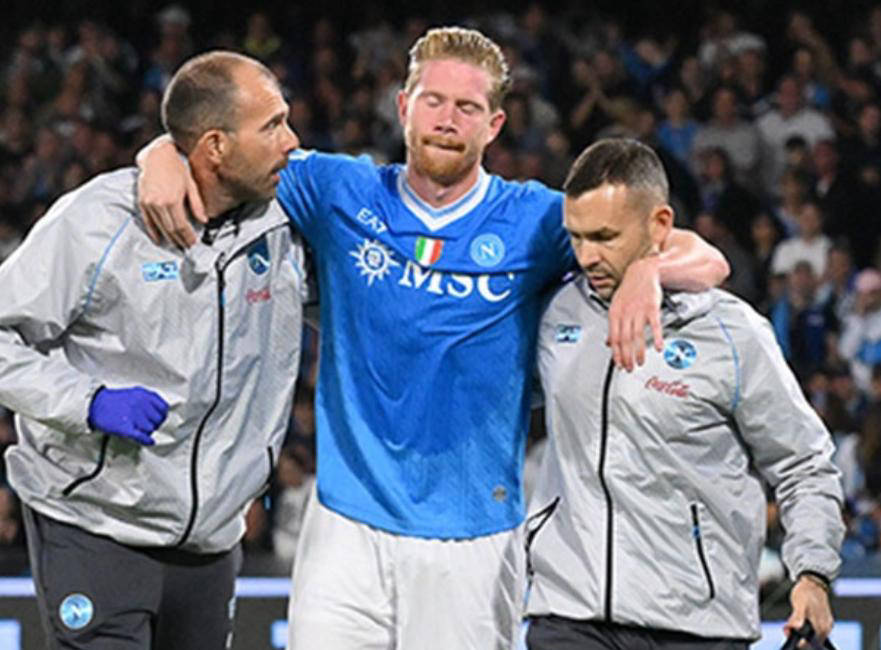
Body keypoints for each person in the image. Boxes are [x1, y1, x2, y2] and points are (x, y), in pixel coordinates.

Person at [137, 27, 729, 650]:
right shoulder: (341, 191)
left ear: (494, 125)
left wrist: (645, 271)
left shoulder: (536, 219)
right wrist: (161, 155)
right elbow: (228, 151)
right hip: (344, 529)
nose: (447, 120)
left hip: (472, 539)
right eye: (433, 101)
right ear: (403, 106)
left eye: (467, 107)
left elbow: (707, 258)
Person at [0, 51, 304, 648]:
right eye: (272, 125)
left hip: (213, 540)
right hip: (95, 524)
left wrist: (162, 149)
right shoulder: (99, 221)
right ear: (214, 146)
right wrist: (86, 402)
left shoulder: (286, 222)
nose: (291, 141)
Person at [526, 138, 844, 650]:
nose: (587, 256)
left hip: (697, 623)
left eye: (605, 237)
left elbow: (804, 463)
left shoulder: (733, 334)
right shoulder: (555, 312)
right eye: (577, 237)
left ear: (659, 225)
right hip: (569, 611)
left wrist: (813, 574)